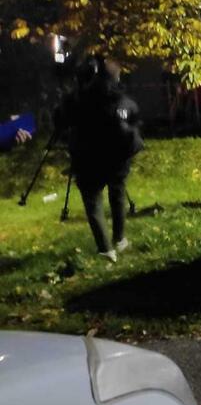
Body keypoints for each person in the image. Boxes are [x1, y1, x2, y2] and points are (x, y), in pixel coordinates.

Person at [57, 56, 143, 262]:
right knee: (118, 195)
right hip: (117, 159)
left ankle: (106, 249)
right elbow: (135, 119)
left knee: (93, 200)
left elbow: (61, 120)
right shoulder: (121, 99)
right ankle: (120, 239)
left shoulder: (79, 99)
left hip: (88, 159)